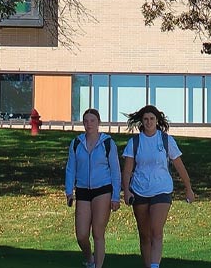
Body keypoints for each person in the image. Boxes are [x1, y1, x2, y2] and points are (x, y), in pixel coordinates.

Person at [121, 105, 195, 268]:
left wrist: (188, 188)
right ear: (141, 121)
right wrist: (126, 191)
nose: (149, 122)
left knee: (156, 231)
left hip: (161, 189)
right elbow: (127, 170)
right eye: (146, 119)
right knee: (145, 234)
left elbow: (179, 166)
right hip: (139, 190)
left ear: (157, 121)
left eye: (152, 119)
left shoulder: (166, 140)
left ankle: (155, 265)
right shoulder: (135, 142)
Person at [65, 108, 121, 268]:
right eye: (86, 121)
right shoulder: (76, 143)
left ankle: (98, 265)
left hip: (102, 189)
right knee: (81, 235)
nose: (89, 124)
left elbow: (116, 170)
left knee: (98, 233)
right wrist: (69, 191)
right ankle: (89, 258)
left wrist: (116, 196)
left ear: (98, 123)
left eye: (92, 121)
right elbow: (71, 168)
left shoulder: (108, 143)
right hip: (82, 190)